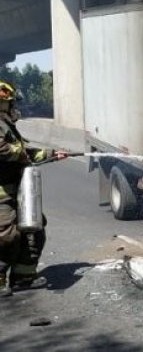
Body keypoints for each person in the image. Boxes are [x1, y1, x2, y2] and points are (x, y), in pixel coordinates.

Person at [0, 81, 67, 296]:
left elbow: (25, 151)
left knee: (34, 230)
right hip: (2, 192)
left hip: (16, 190)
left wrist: (50, 154)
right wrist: (22, 152)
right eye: (10, 103)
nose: (14, 107)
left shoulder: (6, 125)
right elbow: (5, 151)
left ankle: (23, 278)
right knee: (6, 237)